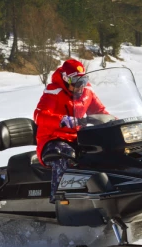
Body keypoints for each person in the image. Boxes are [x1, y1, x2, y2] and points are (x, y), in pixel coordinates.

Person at [33, 59, 108, 203]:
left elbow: (100, 111)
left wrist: (114, 120)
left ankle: (105, 193)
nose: (80, 85)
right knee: (65, 155)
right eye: (76, 81)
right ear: (66, 79)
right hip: (52, 139)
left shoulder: (87, 91)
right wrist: (63, 120)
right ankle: (59, 201)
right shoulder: (54, 92)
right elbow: (39, 115)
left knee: (101, 151)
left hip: (78, 138)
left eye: (83, 80)